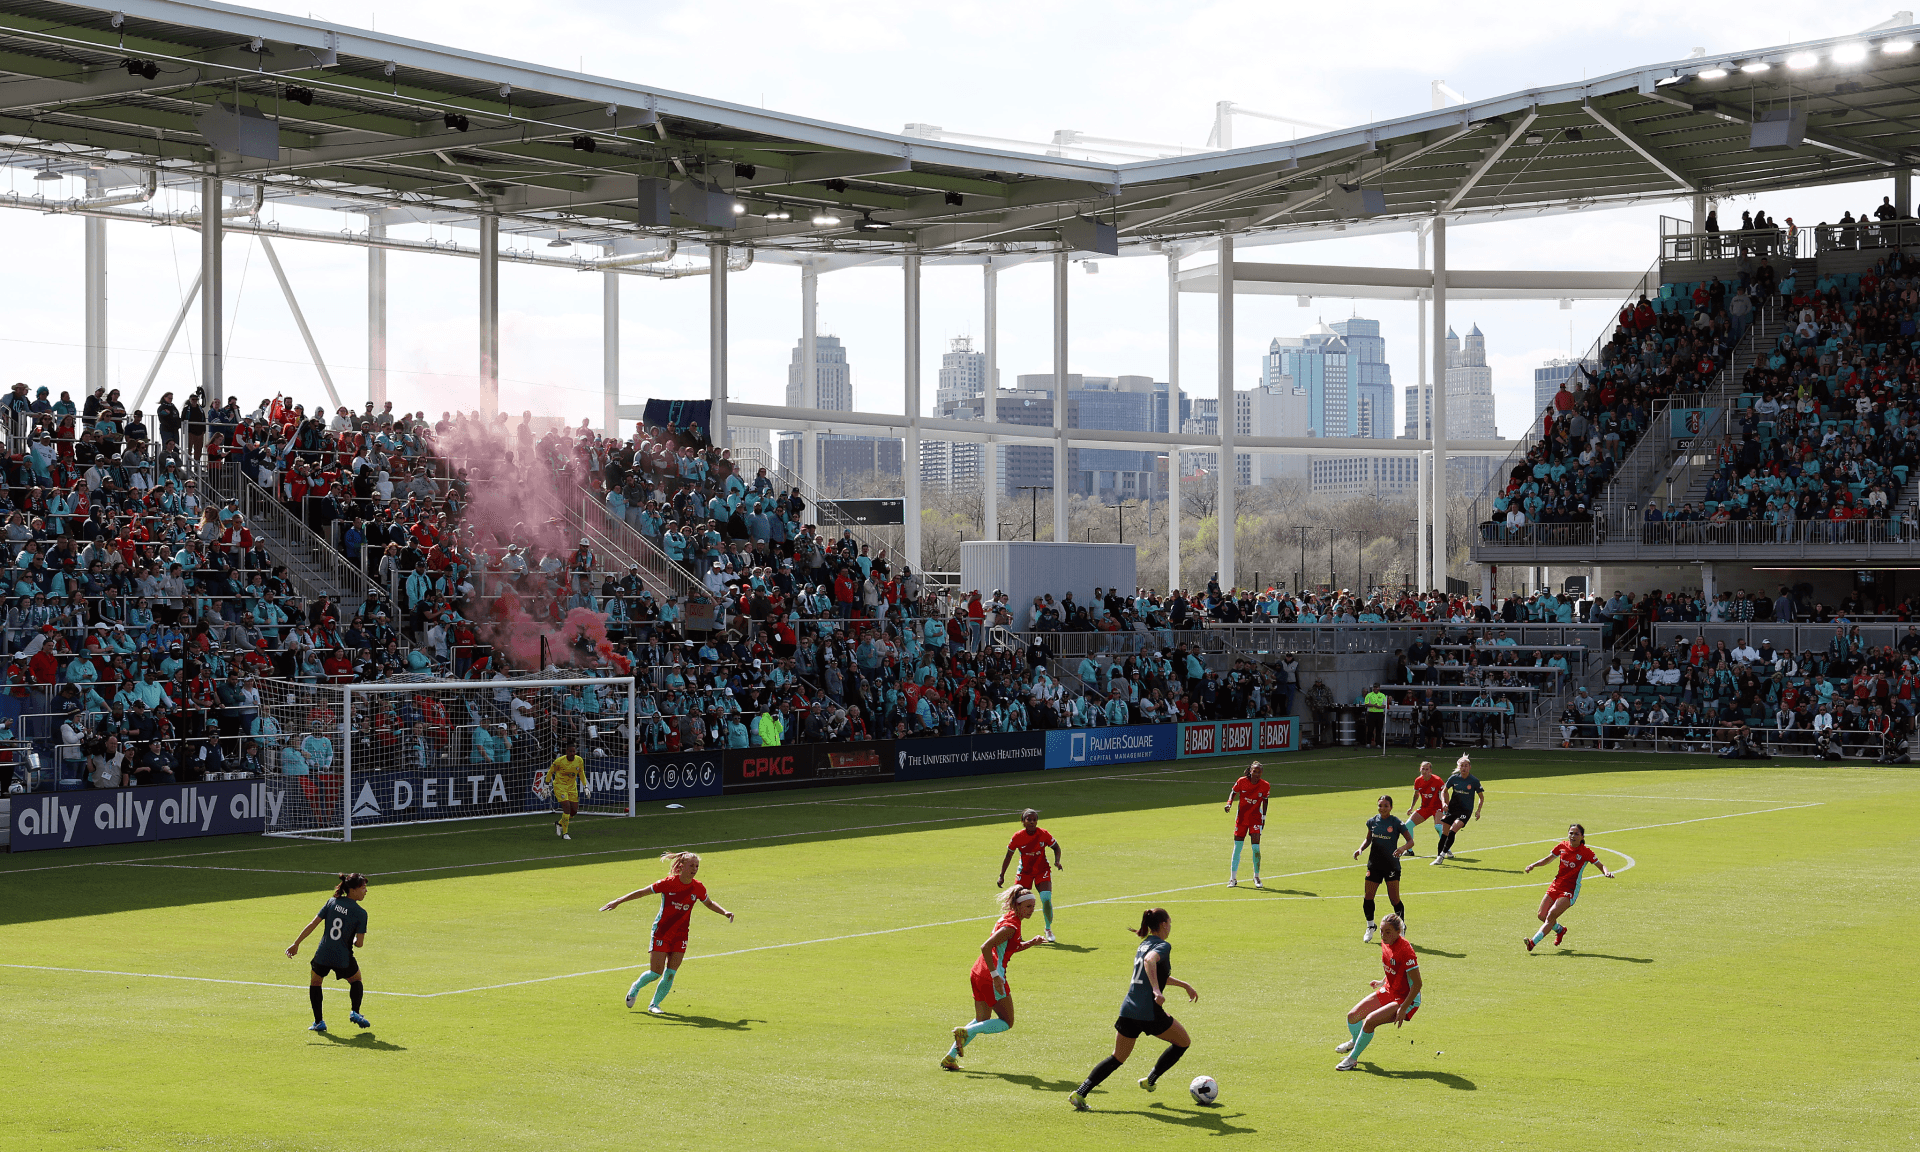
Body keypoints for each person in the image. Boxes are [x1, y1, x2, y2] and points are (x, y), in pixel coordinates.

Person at [1067, 907, 1200, 1110]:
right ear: (1164, 924)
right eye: (1169, 923)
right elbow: (1150, 962)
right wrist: (1157, 991)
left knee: (1117, 1057)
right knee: (1183, 1042)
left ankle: (1080, 1092)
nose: (1170, 926)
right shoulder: (1162, 946)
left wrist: (1184, 985)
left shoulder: (1143, 944)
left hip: (1129, 1009)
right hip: (1149, 1011)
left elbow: (1150, 970)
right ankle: (1150, 1080)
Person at [600, 851, 734, 1015]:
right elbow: (642, 892)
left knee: (670, 973)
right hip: (662, 932)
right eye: (691, 865)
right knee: (656, 972)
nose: (694, 869)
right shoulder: (668, 883)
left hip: (681, 935)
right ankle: (635, 988)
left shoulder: (698, 887)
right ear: (681, 866)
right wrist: (617, 901)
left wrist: (725, 912)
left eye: (697, 866)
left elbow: (709, 903)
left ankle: (654, 1004)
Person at [941, 885, 1045, 1070]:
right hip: (991, 975)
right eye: (1028, 906)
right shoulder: (1011, 926)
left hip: (978, 972)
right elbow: (986, 947)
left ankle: (950, 1057)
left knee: (982, 1019)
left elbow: (1010, 946)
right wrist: (996, 977)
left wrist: (1030, 943)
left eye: (1033, 906)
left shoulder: (1009, 919)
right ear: (1018, 906)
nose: (1032, 910)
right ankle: (964, 1032)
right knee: (1007, 1022)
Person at [284, 872, 372, 1033]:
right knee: (356, 979)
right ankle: (355, 1012)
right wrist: (352, 939)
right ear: (353, 890)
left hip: (323, 953)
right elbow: (359, 944)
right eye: (363, 888)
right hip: (342, 956)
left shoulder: (332, 902)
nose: (366, 891)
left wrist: (296, 943)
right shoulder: (361, 913)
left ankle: (319, 1022)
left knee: (316, 982)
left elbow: (313, 924)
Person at [1333, 912, 1421, 1071]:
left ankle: (1352, 1058)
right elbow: (1395, 968)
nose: (1383, 935)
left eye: (1388, 932)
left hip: (1406, 998)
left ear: (1398, 932)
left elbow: (1417, 984)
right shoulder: (1385, 943)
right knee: (1352, 1017)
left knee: (1370, 1021)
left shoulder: (1406, 951)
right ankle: (1356, 1040)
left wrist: (1403, 1008)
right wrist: (1382, 981)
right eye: (1381, 931)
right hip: (1390, 990)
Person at [1522, 823, 1616, 951]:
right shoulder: (1562, 846)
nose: (1573, 836)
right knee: (1541, 915)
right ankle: (1560, 930)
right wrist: (1533, 865)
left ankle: (1532, 943)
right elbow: (1548, 859)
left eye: (1576, 834)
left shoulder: (1585, 852)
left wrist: (1606, 872)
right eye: (1571, 833)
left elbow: (1600, 865)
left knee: (1550, 915)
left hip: (1570, 890)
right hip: (1556, 885)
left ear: (1582, 837)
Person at [1353, 794, 1413, 942]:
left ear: (1391, 807)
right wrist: (1360, 849)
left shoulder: (1397, 823)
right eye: (1380, 805)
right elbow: (1368, 839)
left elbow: (1410, 841)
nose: (1382, 808)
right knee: (1368, 896)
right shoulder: (1372, 821)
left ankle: (1402, 927)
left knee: (1394, 899)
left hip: (1391, 865)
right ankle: (1370, 926)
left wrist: (1402, 848)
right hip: (1374, 864)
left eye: (1386, 806)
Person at [998, 808, 1063, 942]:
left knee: (1046, 898)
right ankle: (1016, 933)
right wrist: (1002, 875)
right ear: (1023, 821)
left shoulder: (1043, 834)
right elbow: (1008, 855)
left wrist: (1057, 861)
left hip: (1042, 870)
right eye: (1029, 819)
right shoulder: (1017, 837)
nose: (1032, 822)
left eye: (1034, 820)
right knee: (1016, 902)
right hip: (1024, 872)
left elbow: (1056, 847)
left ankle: (1048, 928)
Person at [1430, 754, 1486, 865]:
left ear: (1470, 767)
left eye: (1466, 766)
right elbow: (1444, 791)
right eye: (1462, 766)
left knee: (1452, 831)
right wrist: (1444, 802)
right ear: (1458, 767)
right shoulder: (1454, 778)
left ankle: (1441, 857)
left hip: (1465, 811)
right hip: (1453, 809)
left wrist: (1478, 810)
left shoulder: (1474, 781)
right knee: (1444, 834)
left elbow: (1481, 797)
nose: (1464, 768)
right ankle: (1439, 856)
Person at [1223, 760, 1271, 887]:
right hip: (1242, 818)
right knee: (1237, 848)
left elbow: (1265, 801)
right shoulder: (1242, 781)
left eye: (1259, 772)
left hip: (1255, 818)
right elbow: (1233, 792)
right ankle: (1232, 878)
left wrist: (1264, 818)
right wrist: (1229, 803)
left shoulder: (1265, 785)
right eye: (1254, 771)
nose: (1256, 774)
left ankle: (1256, 877)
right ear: (1250, 771)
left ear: (1261, 774)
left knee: (1256, 848)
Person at [544, 737, 588, 840]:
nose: (573, 753)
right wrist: (546, 785)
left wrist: (585, 786)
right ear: (566, 752)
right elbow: (550, 772)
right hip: (560, 786)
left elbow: (581, 773)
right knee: (567, 808)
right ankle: (565, 833)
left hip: (572, 787)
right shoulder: (559, 761)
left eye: (574, 751)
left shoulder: (579, 760)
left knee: (574, 811)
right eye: (570, 751)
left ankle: (559, 823)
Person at [1403, 760, 1445, 857]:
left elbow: (1444, 793)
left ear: (1430, 770)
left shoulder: (1437, 780)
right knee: (1408, 825)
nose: (1425, 771)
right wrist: (1411, 807)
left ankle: (1446, 849)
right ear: (1420, 769)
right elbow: (1416, 794)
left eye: (1427, 769)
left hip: (1437, 807)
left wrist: (1445, 805)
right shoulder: (1418, 781)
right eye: (1423, 769)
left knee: (1438, 827)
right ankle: (1409, 850)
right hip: (1425, 807)